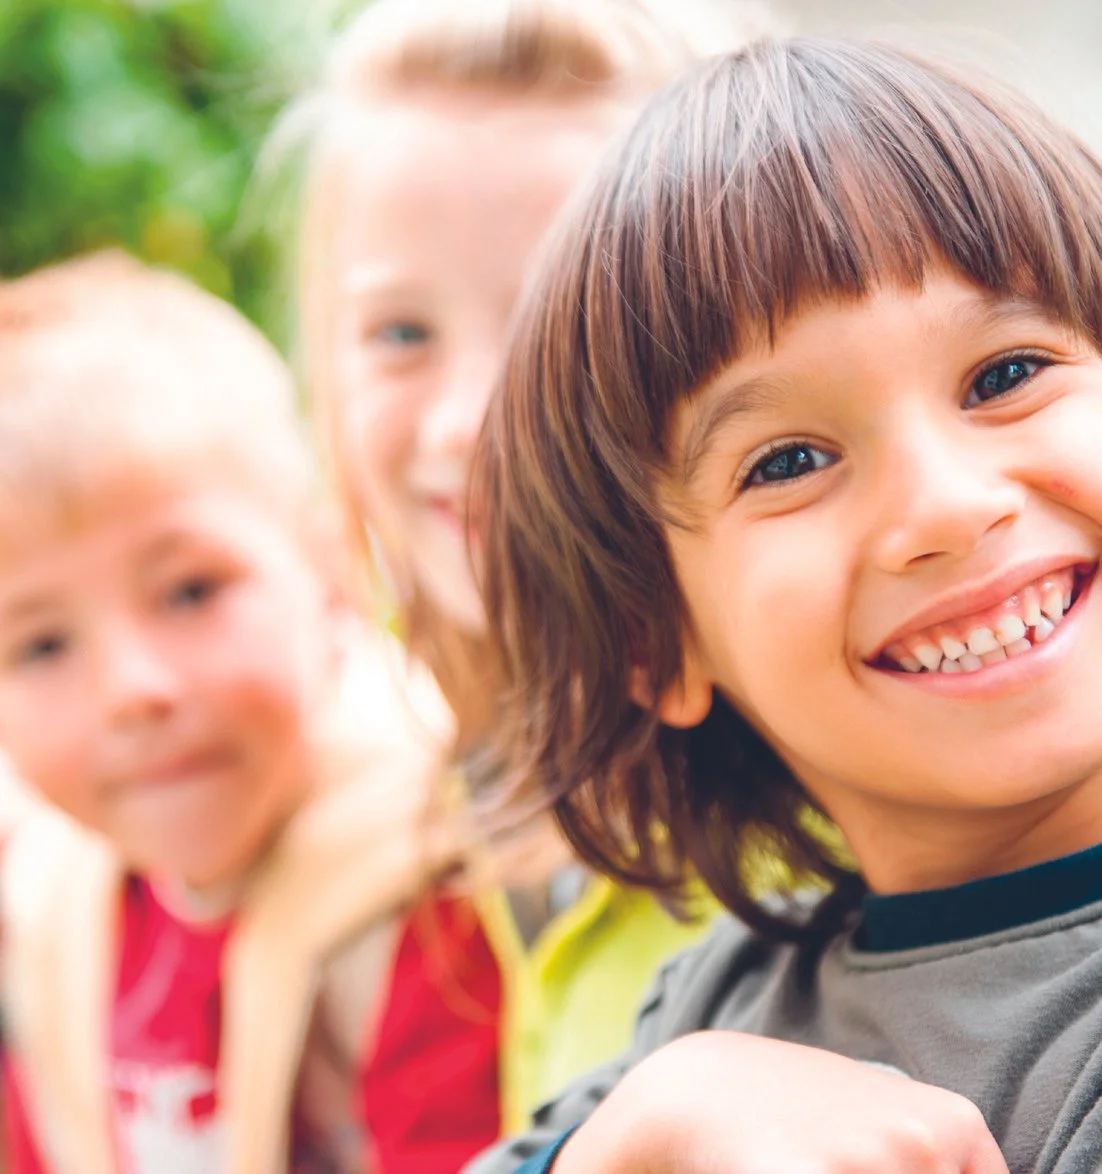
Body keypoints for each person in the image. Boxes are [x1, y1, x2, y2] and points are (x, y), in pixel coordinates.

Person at [466, 36, 1102, 1174]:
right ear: (655, 637)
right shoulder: (716, 1005)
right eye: (789, 461)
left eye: (1005, 374)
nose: (946, 508)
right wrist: (636, 1133)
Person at [287, 0, 775, 1125]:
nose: (466, 418)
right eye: (399, 334)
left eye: (557, 325)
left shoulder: (847, 827)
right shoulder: (456, 804)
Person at [0, 252, 502, 1174]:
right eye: (40, 647)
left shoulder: (428, 892)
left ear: (331, 573)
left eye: (191, 591)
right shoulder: (50, 911)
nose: (131, 689)